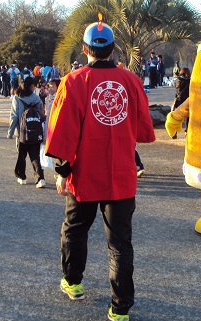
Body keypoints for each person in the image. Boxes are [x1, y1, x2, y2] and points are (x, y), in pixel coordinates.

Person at [45, 16, 155, 321]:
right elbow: (144, 130)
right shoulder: (131, 81)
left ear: (84, 48)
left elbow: (64, 132)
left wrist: (62, 172)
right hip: (121, 175)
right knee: (120, 242)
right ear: (113, 49)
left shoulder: (74, 82)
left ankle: (74, 282)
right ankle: (120, 308)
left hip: (83, 175)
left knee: (75, 230)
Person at [7, 76, 47, 188]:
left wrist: (10, 132)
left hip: (21, 132)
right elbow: (41, 115)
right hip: (35, 131)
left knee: (21, 155)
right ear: (31, 87)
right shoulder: (37, 99)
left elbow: (14, 117)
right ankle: (40, 179)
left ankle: (22, 177)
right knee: (35, 156)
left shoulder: (17, 98)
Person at [172, 67, 191, 134]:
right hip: (186, 101)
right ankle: (187, 130)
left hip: (178, 100)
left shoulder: (177, 80)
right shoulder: (189, 81)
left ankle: (174, 131)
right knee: (188, 116)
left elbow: (177, 89)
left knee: (176, 117)